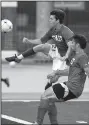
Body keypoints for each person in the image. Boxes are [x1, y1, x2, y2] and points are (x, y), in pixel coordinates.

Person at [32, 34, 89, 125]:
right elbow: (70, 71)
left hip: (72, 88)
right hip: (70, 86)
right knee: (49, 100)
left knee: (45, 96)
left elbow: (87, 71)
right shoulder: (76, 56)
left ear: (77, 45)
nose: (70, 43)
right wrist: (56, 72)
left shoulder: (82, 57)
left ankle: (38, 122)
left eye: (72, 42)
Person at [5, 9, 74, 71]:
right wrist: (28, 41)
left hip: (67, 56)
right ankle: (18, 58)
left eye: (51, 19)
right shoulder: (52, 30)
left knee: (54, 77)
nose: (49, 20)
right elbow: (41, 41)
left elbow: (71, 47)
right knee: (42, 46)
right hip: (58, 50)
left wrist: (66, 56)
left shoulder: (66, 31)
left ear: (57, 20)